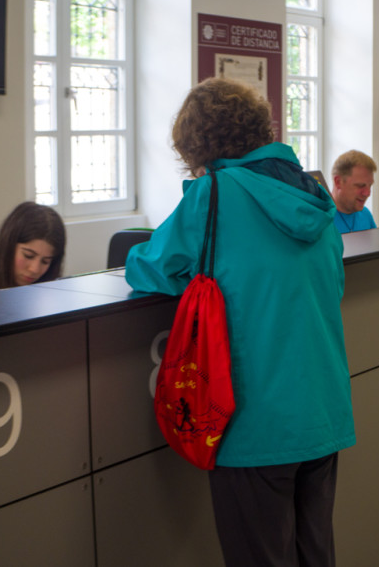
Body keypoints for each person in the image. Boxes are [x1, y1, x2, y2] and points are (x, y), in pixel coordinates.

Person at [125, 78, 355, 566]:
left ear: (198, 144)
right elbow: (332, 286)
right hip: (322, 411)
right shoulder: (313, 193)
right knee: (315, 552)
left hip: (253, 420)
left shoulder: (213, 194)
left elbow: (150, 267)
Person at [331, 150, 377, 233]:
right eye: (360, 186)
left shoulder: (366, 215)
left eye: (370, 186)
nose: (368, 193)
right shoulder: (321, 220)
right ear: (338, 182)